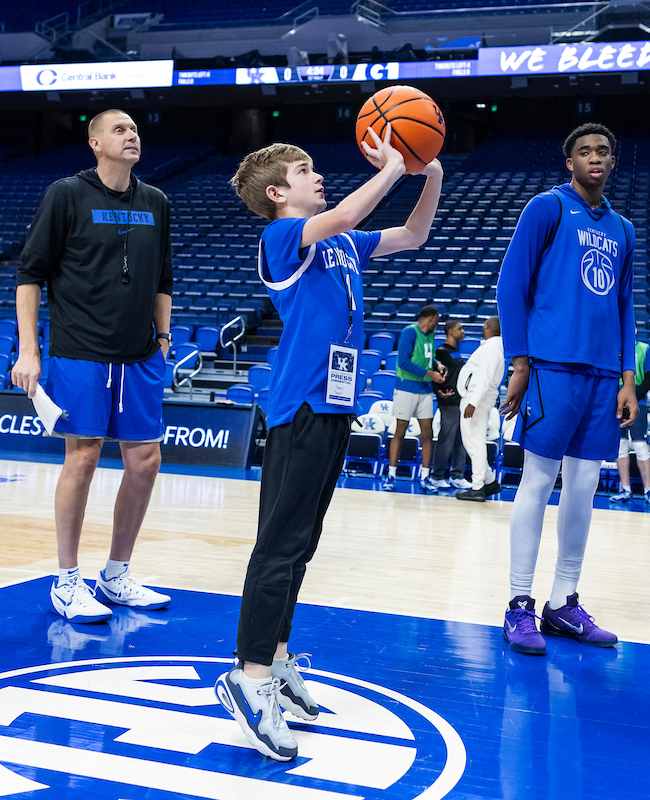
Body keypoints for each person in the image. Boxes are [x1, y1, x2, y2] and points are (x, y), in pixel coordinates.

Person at [218, 128, 442, 762]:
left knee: (301, 545)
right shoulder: (281, 237)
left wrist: (428, 173)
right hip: (300, 408)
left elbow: (413, 235)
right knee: (278, 545)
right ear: (276, 193)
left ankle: (276, 656)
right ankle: (249, 677)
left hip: (336, 405)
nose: (318, 175)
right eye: (304, 170)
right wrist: (393, 166)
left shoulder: (342, 243)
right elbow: (344, 212)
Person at [12, 108, 174, 625]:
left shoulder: (156, 201)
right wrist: (29, 350)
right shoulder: (66, 194)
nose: (132, 135)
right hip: (80, 350)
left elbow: (163, 279)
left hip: (140, 355)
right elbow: (30, 275)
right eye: (119, 130)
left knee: (145, 461)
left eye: (135, 129)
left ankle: (116, 575)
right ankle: (67, 580)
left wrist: (164, 337)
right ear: (95, 143)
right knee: (82, 457)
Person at [496, 122, 637, 656]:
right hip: (551, 368)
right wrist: (519, 362)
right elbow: (511, 284)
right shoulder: (547, 208)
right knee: (537, 481)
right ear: (570, 162)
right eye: (584, 151)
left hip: (603, 375)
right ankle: (519, 604)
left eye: (603, 151)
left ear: (612, 162)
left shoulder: (623, 229)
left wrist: (627, 378)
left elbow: (625, 306)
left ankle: (563, 603)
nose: (594, 157)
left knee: (583, 488)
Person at [382, 305, 445, 492]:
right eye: (436, 321)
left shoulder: (430, 335)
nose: (437, 325)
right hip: (406, 388)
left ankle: (424, 477)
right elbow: (403, 362)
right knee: (400, 430)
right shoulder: (409, 332)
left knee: (427, 433)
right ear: (430, 318)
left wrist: (437, 365)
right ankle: (391, 475)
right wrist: (430, 373)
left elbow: (426, 357)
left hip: (425, 389)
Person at [454, 316, 505, 501]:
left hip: (476, 399)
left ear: (488, 325)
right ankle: (490, 482)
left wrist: (473, 402)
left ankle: (477, 487)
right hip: (479, 398)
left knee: (475, 443)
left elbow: (484, 378)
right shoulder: (494, 347)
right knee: (473, 443)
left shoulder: (492, 347)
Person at [611, 340, 650, 507]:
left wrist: (633, 398)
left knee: (640, 445)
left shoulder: (645, 349)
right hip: (618, 401)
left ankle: (648, 491)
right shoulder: (615, 348)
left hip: (637, 402)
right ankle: (625, 490)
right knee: (621, 444)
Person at [430, 318, 469, 490]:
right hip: (448, 402)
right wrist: (439, 391)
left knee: (461, 439)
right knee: (446, 439)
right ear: (450, 331)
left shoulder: (456, 352)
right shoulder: (441, 352)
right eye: (460, 328)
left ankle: (457, 476)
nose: (463, 331)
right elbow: (434, 374)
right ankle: (437, 476)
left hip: (460, 401)